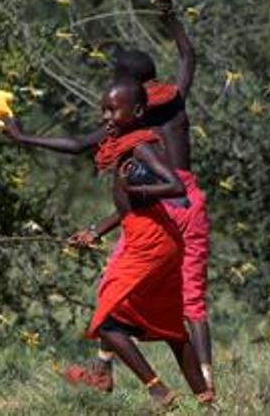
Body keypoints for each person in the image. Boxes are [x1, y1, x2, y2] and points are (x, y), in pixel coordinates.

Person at [3, 0, 214, 390]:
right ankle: (205, 385)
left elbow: (80, 146)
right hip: (192, 201)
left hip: (160, 204)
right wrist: (167, 11)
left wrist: (25, 137)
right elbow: (189, 55)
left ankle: (116, 378)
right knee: (188, 298)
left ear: (130, 89)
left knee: (116, 284)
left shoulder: (130, 122)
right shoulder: (175, 98)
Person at [74, 79, 212, 411]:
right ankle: (209, 405)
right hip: (156, 238)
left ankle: (158, 391)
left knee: (107, 321)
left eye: (113, 109)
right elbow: (128, 206)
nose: (107, 115)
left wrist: (142, 192)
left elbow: (175, 186)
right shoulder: (125, 145)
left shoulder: (141, 147)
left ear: (136, 111)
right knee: (172, 329)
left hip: (148, 243)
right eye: (103, 108)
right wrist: (97, 231)